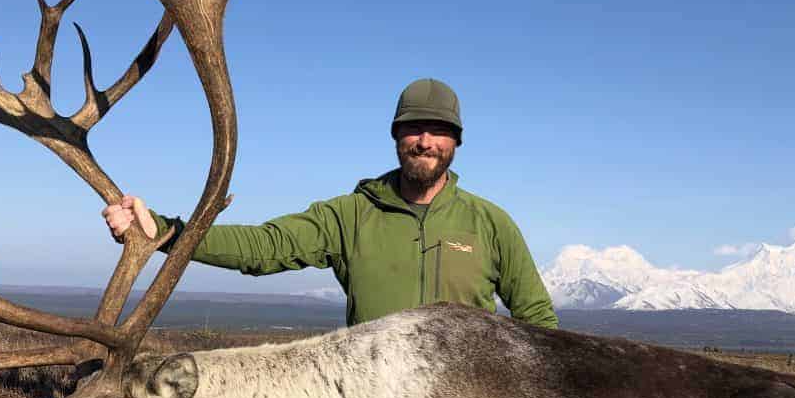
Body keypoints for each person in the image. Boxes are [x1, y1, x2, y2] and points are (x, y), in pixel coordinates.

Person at [103, 78, 559, 329]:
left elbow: (537, 319)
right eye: (412, 129)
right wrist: (163, 231)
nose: (425, 141)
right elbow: (263, 247)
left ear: (455, 142)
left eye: (438, 131)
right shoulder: (350, 215)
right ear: (397, 137)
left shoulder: (490, 224)